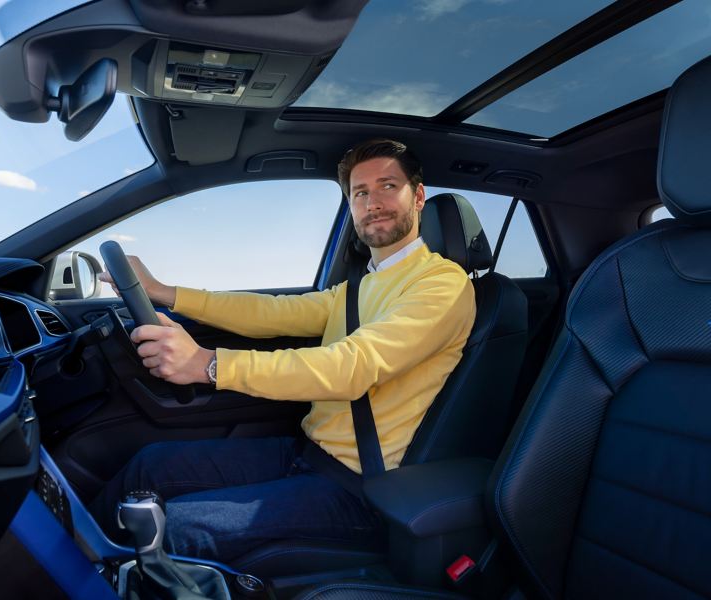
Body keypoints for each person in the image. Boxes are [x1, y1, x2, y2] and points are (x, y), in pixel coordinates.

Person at [91, 139, 477, 562]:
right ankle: (66, 563)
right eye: (360, 193)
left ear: (418, 196)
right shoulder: (359, 287)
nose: (373, 202)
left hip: (361, 487)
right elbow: (272, 312)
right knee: (150, 466)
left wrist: (209, 365)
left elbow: (353, 366)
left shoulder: (441, 284)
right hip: (306, 453)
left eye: (388, 186)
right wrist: (165, 292)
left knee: (174, 530)